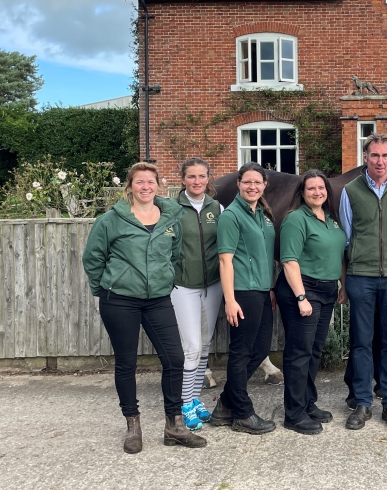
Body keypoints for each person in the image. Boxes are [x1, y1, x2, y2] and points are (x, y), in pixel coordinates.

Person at [83, 162, 206, 452]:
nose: (145, 187)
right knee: (127, 363)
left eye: (151, 182)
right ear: (130, 186)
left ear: (158, 186)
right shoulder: (110, 221)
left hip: (158, 299)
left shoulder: (170, 219)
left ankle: (174, 425)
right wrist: (106, 288)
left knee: (175, 359)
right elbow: (93, 259)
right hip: (120, 300)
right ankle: (133, 425)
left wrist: (164, 279)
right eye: (139, 182)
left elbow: (173, 255)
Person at [339, 133, 387, 432]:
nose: (380, 161)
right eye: (374, 155)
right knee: (361, 342)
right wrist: (347, 277)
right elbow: (347, 238)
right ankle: (362, 402)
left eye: (385, 155)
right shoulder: (351, 190)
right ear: (365, 157)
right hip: (361, 277)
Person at [275, 170, 348, 434]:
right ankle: (293, 414)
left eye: (321, 188)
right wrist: (301, 297)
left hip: (327, 291)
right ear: (302, 193)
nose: (317, 192)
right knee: (299, 353)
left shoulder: (331, 219)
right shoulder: (296, 219)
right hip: (304, 290)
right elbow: (289, 261)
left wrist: (343, 284)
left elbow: (340, 254)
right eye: (311, 188)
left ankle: (307, 402)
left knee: (314, 351)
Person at [210, 162, 277, 435]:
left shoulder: (262, 214)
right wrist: (230, 299)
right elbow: (225, 261)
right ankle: (242, 413)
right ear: (238, 184)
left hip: (262, 290)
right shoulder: (231, 216)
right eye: (247, 182)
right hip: (242, 292)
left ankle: (225, 405)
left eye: (257, 182)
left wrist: (269, 288)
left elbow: (264, 256)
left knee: (260, 350)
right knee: (241, 352)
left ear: (264, 185)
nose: (252, 186)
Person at [170, 157, 223, 431]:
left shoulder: (217, 208)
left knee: (204, 344)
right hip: (183, 287)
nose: (197, 181)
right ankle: (184, 404)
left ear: (208, 178)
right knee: (190, 347)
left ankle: (194, 399)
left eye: (202, 176)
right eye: (191, 176)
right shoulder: (171, 209)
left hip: (212, 285)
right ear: (183, 179)